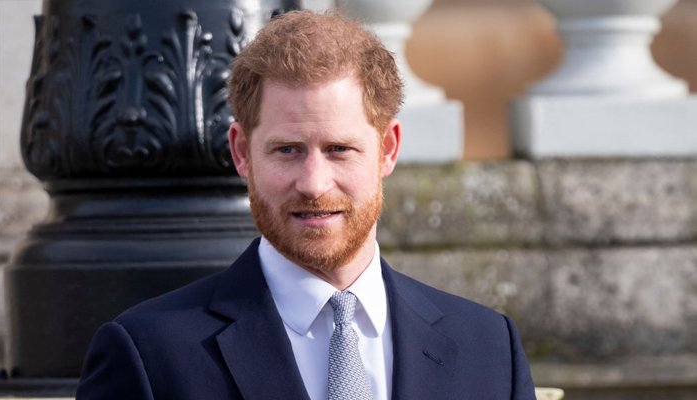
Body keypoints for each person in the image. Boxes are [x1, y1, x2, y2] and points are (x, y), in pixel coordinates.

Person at [77, 10, 536, 400]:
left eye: (339, 149)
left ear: (388, 149)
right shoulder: (148, 354)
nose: (314, 184)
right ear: (241, 152)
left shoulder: (490, 350)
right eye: (287, 150)